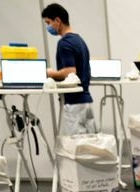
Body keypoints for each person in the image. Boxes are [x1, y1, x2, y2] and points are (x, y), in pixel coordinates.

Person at [41, 3, 96, 135]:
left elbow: (70, 74)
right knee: (90, 147)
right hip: (86, 101)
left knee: (77, 147)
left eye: (48, 22)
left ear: (57, 21)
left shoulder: (65, 43)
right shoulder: (80, 41)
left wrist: (49, 73)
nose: (48, 27)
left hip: (74, 103)